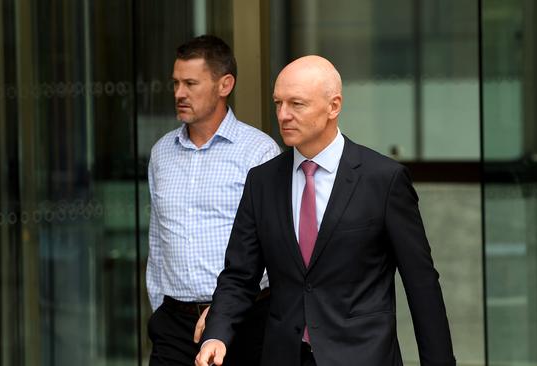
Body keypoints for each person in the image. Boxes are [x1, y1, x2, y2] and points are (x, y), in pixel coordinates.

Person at [195, 55, 456, 366]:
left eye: (297, 104)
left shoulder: (383, 180)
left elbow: (421, 283)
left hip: (363, 355)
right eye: (278, 103)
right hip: (285, 355)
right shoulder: (261, 182)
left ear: (334, 106)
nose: (283, 115)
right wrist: (216, 335)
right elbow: (239, 275)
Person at [145, 35, 280, 366]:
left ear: (225, 85)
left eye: (191, 83)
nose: (179, 93)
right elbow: (157, 240)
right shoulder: (161, 153)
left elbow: (274, 247)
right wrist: (160, 308)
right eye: (176, 83)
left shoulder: (259, 152)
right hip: (174, 325)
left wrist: (226, 309)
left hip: (243, 322)